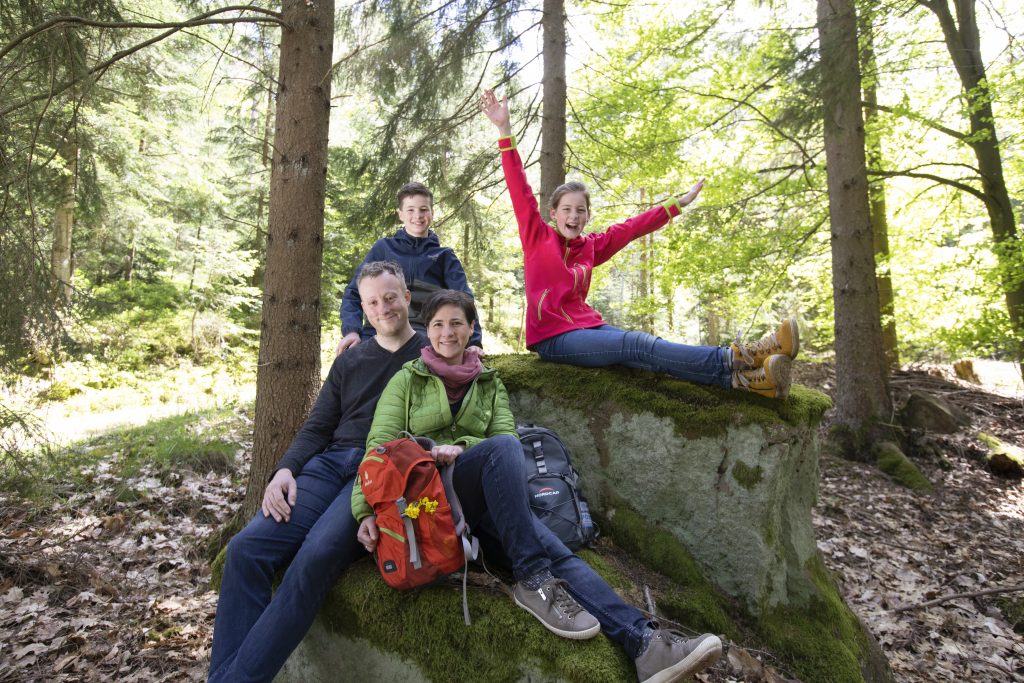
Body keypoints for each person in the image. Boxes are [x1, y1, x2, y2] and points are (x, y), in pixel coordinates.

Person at [351, 289, 724, 683]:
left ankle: (645, 646)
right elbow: (377, 452)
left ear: (471, 328)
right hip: (429, 502)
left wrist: (462, 447)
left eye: (457, 323)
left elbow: (506, 437)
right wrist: (367, 510)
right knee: (507, 465)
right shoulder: (407, 381)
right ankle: (533, 580)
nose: (447, 332)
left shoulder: (489, 384)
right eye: (439, 324)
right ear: (429, 331)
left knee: (557, 553)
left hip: (482, 506)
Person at [479, 90, 799, 398]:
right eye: (566, 210)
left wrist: (677, 204)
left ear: (588, 216)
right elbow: (518, 187)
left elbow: (631, 229)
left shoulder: (591, 246)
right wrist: (504, 129)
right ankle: (735, 357)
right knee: (636, 344)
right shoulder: (538, 236)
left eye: (580, 210)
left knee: (643, 354)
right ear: (553, 213)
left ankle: (749, 382)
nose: (573, 216)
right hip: (553, 339)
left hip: (588, 328)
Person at [208, 261, 430, 683]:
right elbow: (317, 426)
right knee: (245, 551)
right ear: (362, 309)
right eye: (371, 302)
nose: (383, 308)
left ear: (406, 297)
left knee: (312, 560)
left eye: (389, 297)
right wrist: (285, 470)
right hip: (327, 466)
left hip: (374, 477)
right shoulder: (350, 360)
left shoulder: (428, 355)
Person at [335, 181, 482, 356]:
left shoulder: (444, 257)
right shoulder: (383, 249)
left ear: (432, 213)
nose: (417, 216)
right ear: (401, 214)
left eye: (423, 209)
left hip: (424, 334)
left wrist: (474, 342)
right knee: (350, 362)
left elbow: (464, 300)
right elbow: (354, 292)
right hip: (378, 330)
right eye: (411, 210)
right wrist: (352, 330)